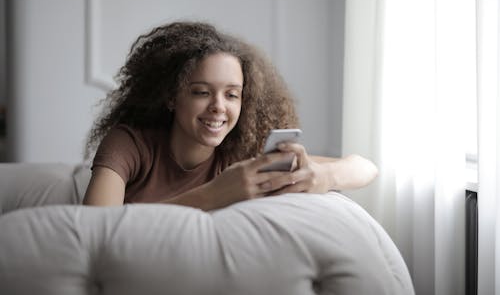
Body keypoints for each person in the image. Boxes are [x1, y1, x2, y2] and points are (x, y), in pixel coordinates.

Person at [83, 21, 377, 210]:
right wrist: (215, 194)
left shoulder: (240, 153)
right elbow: (96, 229)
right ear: (171, 97)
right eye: (201, 92)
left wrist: (324, 176)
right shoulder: (129, 144)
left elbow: (365, 168)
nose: (218, 106)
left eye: (232, 94)